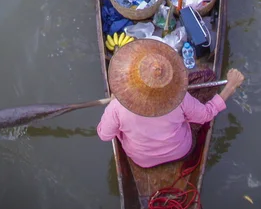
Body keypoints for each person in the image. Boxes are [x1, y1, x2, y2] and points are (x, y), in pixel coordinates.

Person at [97, 38, 245, 168]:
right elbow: (206, 114)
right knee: (208, 76)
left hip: (142, 160)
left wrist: (117, 109)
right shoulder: (178, 98)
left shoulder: (116, 107)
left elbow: (104, 135)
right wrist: (230, 87)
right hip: (180, 151)